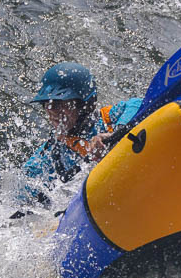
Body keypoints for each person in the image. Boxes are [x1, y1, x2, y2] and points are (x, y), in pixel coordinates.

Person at [21, 62, 142, 206]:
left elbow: (137, 103)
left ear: (85, 105)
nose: (52, 110)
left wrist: (115, 135)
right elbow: (23, 186)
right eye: (47, 104)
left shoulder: (109, 118)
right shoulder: (50, 155)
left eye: (59, 103)